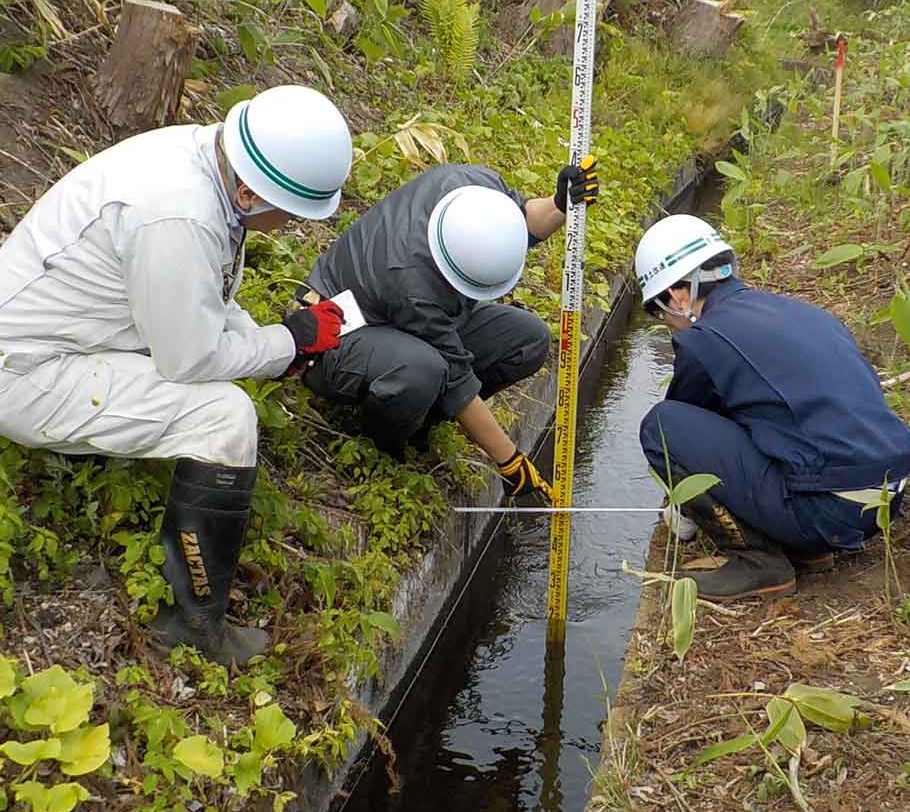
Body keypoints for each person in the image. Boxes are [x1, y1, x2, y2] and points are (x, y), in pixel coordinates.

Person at [0, 85, 353, 666]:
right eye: (288, 214)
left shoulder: (204, 160)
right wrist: (290, 342)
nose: (289, 225)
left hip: (71, 337)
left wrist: (282, 342)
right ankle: (193, 624)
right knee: (224, 417)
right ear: (249, 191)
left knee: (215, 381)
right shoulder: (178, 213)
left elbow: (204, 303)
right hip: (29, 372)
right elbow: (189, 360)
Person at [634, 213, 910, 601]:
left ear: (678, 295)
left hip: (829, 511)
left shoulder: (704, 339)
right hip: (887, 495)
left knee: (658, 427)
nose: (669, 324)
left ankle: (759, 562)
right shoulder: (804, 314)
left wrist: (686, 512)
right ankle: (804, 547)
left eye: (661, 313)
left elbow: (681, 439)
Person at [298, 158, 599, 498]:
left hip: (408, 322)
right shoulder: (411, 283)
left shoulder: (473, 186)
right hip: (339, 338)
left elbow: (522, 219)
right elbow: (458, 379)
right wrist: (509, 460)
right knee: (424, 371)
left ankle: (421, 418)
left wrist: (560, 204)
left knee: (528, 339)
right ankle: (382, 443)